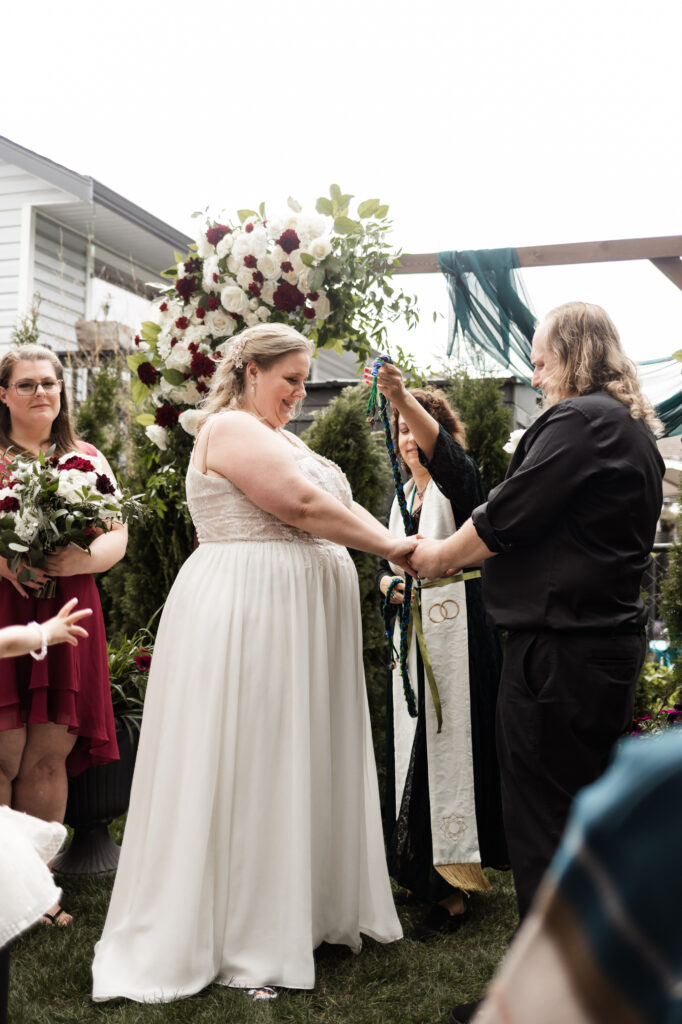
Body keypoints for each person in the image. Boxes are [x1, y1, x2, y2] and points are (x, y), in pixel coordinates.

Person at [92, 323, 416, 1003]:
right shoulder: (230, 429)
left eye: (304, 381)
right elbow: (297, 504)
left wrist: (397, 544)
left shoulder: (283, 436)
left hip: (297, 619)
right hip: (251, 614)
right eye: (289, 379)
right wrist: (395, 548)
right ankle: (244, 932)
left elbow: (334, 505)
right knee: (256, 757)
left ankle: (305, 910)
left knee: (295, 755)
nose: (299, 393)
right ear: (248, 372)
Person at [409, 302, 664, 1021]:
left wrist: (434, 557)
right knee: (580, 824)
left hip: (559, 655)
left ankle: (544, 1002)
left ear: (576, 353)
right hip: (600, 653)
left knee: (545, 826)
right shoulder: (631, 431)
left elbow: (505, 516)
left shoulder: (580, 420)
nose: (534, 368)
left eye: (542, 355)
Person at [370, 368, 507, 940]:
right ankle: (420, 871)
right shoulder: (402, 496)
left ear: (439, 434)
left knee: (448, 748)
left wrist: (401, 395)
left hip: (459, 633)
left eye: (415, 429)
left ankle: (452, 887)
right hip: (412, 635)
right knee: (411, 748)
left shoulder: (458, 486)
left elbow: (451, 463)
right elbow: (385, 565)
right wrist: (389, 586)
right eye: (398, 429)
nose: (406, 438)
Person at [0, 344, 127, 927]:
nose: (42, 393)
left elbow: (115, 532)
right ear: (3, 395)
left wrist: (84, 562)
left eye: (50, 383)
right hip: (4, 607)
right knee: (2, 755)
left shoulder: (86, 457)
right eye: (26, 384)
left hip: (71, 606)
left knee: (48, 757)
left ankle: (38, 894)